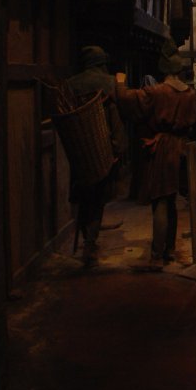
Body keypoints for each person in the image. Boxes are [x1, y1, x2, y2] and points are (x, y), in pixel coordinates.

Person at [117, 38, 196, 263]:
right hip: (181, 148)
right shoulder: (190, 94)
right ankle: (170, 249)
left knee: (160, 201)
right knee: (171, 201)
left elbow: (127, 100)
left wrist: (120, 83)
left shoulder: (157, 92)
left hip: (163, 148)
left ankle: (156, 254)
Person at [67, 45, 127, 267]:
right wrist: (119, 147)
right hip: (102, 147)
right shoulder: (109, 83)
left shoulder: (71, 84)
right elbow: (115, 119)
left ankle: (87, 238)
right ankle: (90, 242)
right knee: (98, 197)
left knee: (84, 195)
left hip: (79, 149)